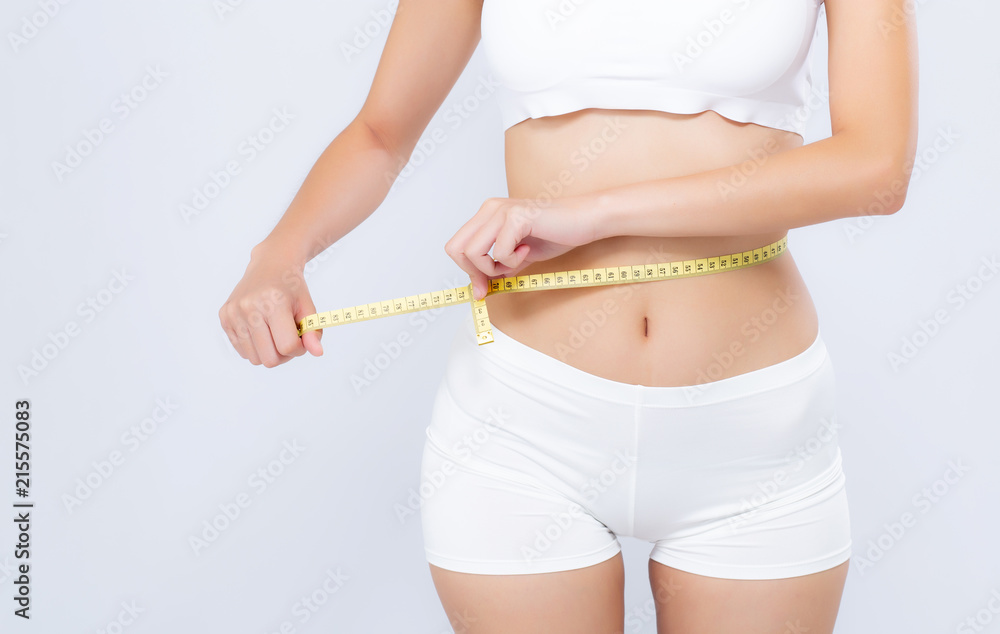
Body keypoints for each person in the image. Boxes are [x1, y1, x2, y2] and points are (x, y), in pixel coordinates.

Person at [219, 0, 918, 631]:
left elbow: (876, 167)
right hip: (524, 429)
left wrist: (591, 214)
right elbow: (379, 132)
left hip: (754, 438)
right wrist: (280, 252)